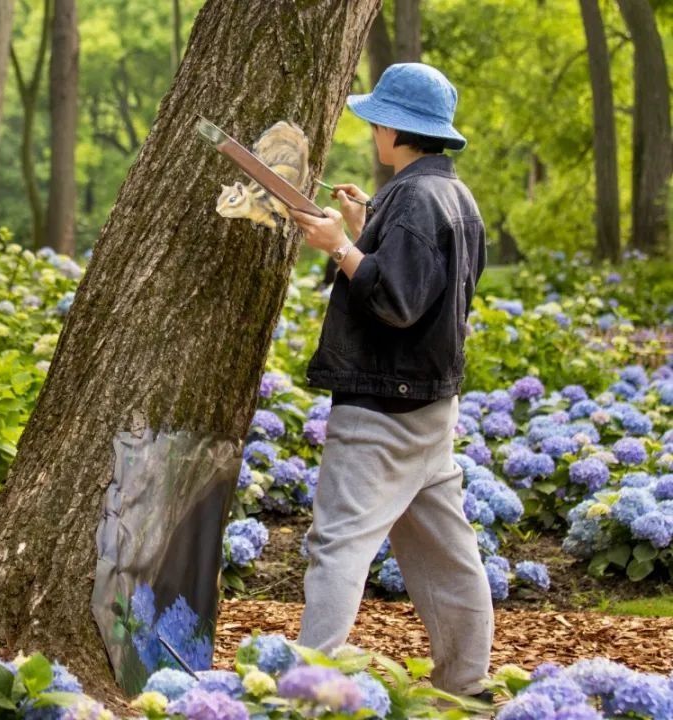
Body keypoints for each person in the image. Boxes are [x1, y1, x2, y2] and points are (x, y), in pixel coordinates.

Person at [287, 63, 492, 699]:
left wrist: (337, 246)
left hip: (384, 406)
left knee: (338, 545)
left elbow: (399, 300)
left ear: (397, 129)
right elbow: (426, 284)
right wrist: (363, 228)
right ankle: (467, 684)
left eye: (378, 120)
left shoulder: (413, 200)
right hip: (432, 406)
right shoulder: (454, 196)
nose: (374, 129)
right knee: (446, 554)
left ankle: (303, 690)